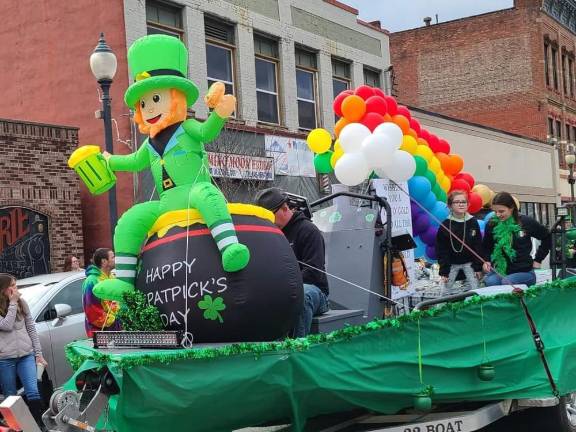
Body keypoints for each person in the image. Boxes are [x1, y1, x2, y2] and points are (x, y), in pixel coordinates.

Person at [256, 187, 328, 337]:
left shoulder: (309, 231)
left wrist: (283, 287)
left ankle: (297, 349)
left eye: (268, 216)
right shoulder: (270, 235)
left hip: (316, 292)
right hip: (283, 290)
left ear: (284, 208)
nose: (266, 222)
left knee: (301, 297)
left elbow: (314, 272)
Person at [0, 273, 48, 429]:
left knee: (33, 392)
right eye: (12, 285)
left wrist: (38, 354)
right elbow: (6, 325)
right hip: (5, 359)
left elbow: (31, 329)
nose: (16, 288)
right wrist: (13, 302)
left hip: (26, 355)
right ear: (3, 289)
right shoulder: (13, 303)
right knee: (11, 397)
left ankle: (37, 426)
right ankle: (18, 427)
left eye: (16, 284)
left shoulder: (22, 303)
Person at [482, 192, 551, 287]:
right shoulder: (491, 224)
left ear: (511, 208)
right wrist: (487, 260)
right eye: (495, 211)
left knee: (507, 283)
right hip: (501, 270)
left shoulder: (525, 222)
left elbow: (547, 237)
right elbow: (486, 246)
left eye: (501, 211)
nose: (497, 214)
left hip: (524, 271)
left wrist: (538, 260)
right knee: (490, 282)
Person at [435, 190, 483, 293]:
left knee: (476, 291)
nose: (461, 204)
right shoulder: (446, 224)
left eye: (463, 201)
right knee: (444, 293)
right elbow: (441, 249)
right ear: (450, 205)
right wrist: (444, 271)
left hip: (469, 263)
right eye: (457, 202)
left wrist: (478, 268)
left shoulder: (473, 222)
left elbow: (478, 245)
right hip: (451, 264)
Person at [82, 248, 121, 337]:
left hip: (116, 330)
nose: (116, 259)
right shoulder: (91, 281)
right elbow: (92, 310)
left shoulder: (113, 277)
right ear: (104, 261)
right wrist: (113, 320)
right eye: (113, 257)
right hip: (101, 333)